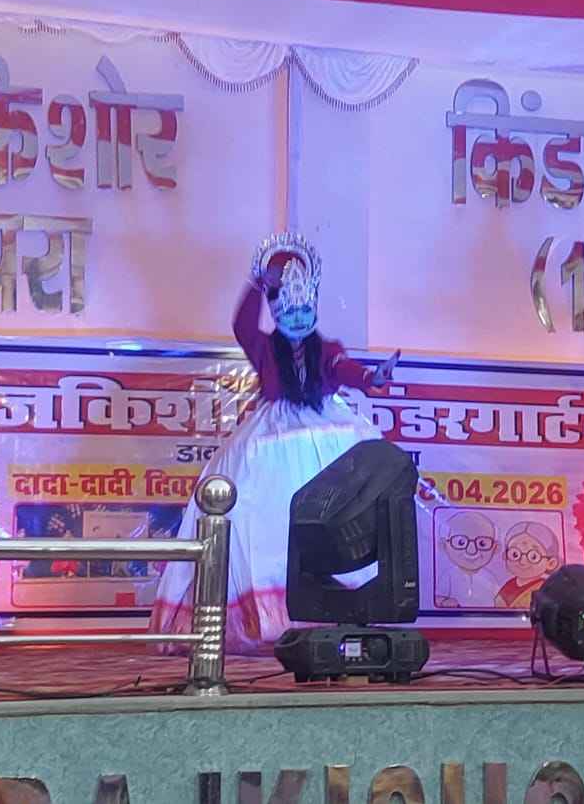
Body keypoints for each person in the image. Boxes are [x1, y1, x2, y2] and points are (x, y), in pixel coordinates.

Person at [148, 232, 400, 655]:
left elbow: (346, 369)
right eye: (291, 311)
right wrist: (258, 281)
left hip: (324, 434)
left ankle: (338, 609)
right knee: (261, 515)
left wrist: (371, 377)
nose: (299, 318)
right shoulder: (265, 348)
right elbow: (242, 326)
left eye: (305, 311)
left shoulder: (327, 350)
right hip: (271, 438)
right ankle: (268, 617)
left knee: (339, 514)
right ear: (278, 312)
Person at [494, 521, 561, 609]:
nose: (522, 561)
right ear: (505, 555)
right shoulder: (509, 584)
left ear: (551, 563)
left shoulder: (544, 589)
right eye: (515, 554)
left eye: (533, 556)